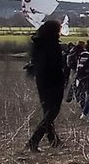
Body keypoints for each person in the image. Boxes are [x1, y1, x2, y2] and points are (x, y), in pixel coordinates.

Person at [26, 20, 65, 152]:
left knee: (47, 111)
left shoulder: (38, 44)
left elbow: (36, 63)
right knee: (52, 112)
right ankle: (33, 141)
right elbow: (54, 65)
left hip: (42, 81)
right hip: (53, 81)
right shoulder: (52, 45)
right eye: (59, 29)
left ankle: (53, 140)